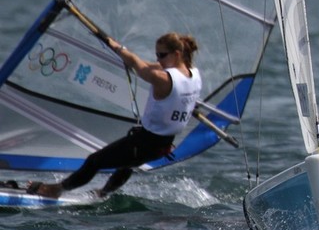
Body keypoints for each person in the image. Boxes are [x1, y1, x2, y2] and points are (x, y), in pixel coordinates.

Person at [28, 33, 202, 198]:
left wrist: (114, 46)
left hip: (146, 142)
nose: (158, 59)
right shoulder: (193, 73)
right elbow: (147, 66)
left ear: (177, 54)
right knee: (127, 164)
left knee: (94, 161)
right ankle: (103, 193)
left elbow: (137, 64)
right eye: (157, 55)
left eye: (162, 55)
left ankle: (57, 190)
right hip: (164, 145)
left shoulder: (162, 78)